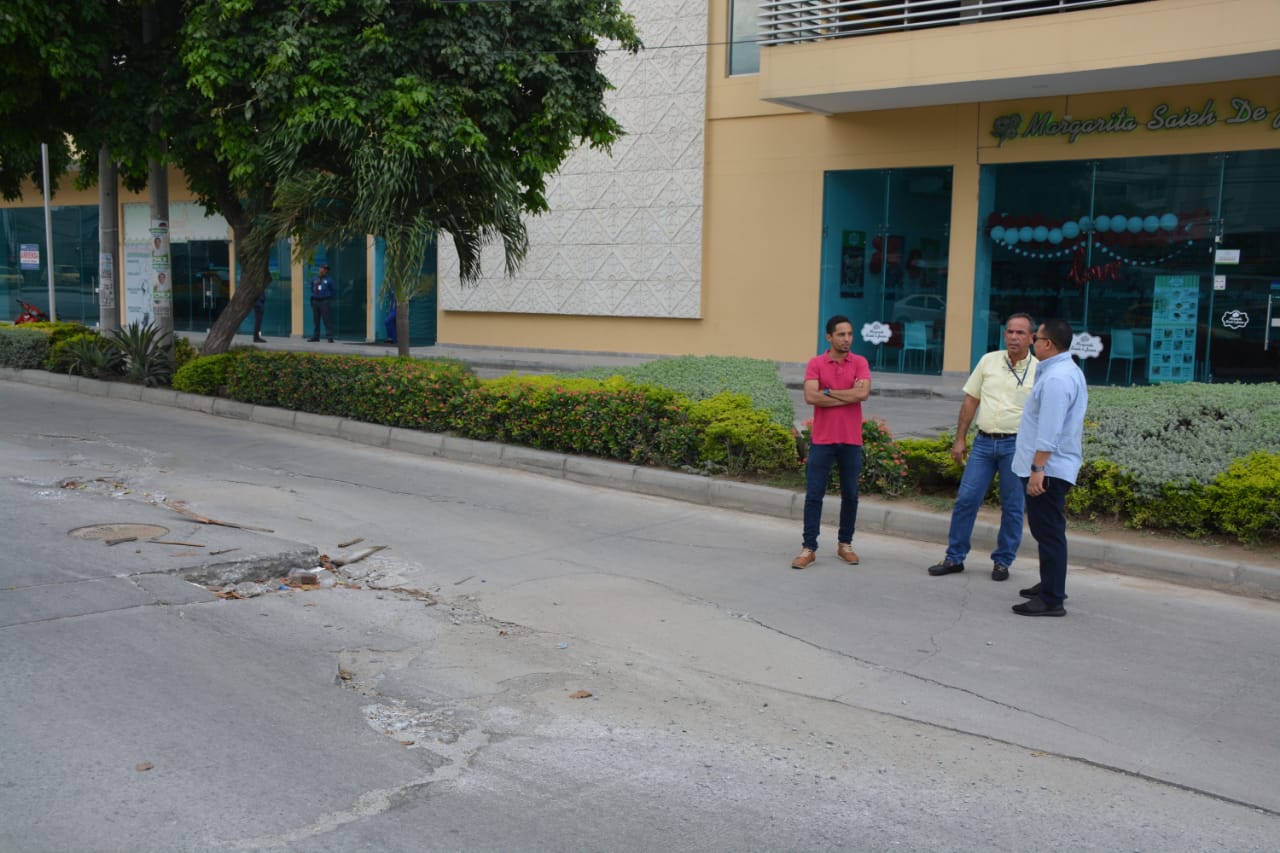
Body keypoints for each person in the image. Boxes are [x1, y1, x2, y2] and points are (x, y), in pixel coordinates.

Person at [927, 313, 1037, 582]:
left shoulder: (1039, 369)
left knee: (1012, 506)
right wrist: (960, 438)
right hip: (984, 443)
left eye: (1020, 333)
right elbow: (970, 401)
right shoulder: (989, 361)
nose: (1013, 337)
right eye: (1010, 331)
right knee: (966, 499)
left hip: (1016, 445)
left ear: (1032, 338)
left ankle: (1003, 561)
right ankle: (954, 557)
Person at [1011, 318, 1088, 617]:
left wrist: (1037, 469)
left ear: (1049, 344)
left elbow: (1050, 431)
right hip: (1049, 466)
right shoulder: (1065, 371)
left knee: (1049, 532)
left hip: (1049, 470)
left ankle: (1052, 598)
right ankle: (1049, 583)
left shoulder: (1057, 379)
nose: (1032, 341)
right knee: (1046, 532)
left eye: (1036, 337)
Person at [792, 315, 872, 570]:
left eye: (850, 334)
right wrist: (847, 395)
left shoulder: (859, 362)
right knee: (814, 494)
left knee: (850, 494)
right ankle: (809, 548)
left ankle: (845, 544)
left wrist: (827, 392)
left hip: (850, 440)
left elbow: (863, 393)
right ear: (829, 337)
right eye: (841, 335)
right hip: (823, 440)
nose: (847, 339)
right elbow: (809, 396)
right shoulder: (816, 363)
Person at [307, 264, 335, 342]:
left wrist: (327, 297)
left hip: (324, 301)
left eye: (326, 269)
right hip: (315, 301)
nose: (324, 270)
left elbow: (333, 290)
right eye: (323, 268)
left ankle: (330, 337)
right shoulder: (314, 278)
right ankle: (316, 336)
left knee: (327, 319)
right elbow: (312, 288)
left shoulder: (329, 280)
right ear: (320, 269)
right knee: (316, 320)